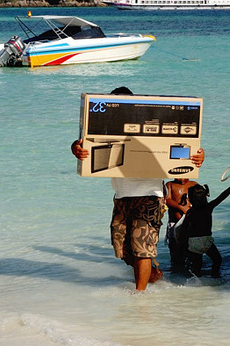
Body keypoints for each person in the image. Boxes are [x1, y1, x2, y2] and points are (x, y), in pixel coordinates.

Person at [70, 87, 205, 291]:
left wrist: (198, 157)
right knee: (123, 250)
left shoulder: (147, 124)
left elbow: (185, 154)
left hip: (150, 195)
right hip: (122, 196)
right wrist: (75, 148)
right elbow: (83, 143)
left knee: (142, 249)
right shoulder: (106, 127)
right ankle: (152, 273)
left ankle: (139, 298)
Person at [181, 181, 230, 278]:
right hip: (206, 240)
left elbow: (183, 229)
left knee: (197, 267)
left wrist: (183, 244)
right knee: (217, 260)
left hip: (193, 242)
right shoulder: (208, 207)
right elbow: (222, 197)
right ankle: (215, 277)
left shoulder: (190, 212)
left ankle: (195, 284)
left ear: (191, 199)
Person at [163, 177, 198, 273]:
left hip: (190, 222)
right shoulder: (170, 185)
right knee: (175, 247)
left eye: (184, 176)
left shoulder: (193, 184)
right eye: (178, 177)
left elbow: (201, 198)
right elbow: (167, 200)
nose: (182, 179)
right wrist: (181, 208)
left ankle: (193, 270)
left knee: (190, 248)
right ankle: (176, 269)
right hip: (175, 222)